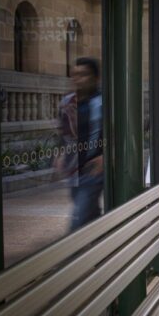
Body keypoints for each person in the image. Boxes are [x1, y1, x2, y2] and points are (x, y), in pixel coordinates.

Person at [56, 57, 104, 231]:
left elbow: (115, 131)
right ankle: (103, 242)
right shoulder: (67, 102)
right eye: (75, 74)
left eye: (83, 75)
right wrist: (61, 153)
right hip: (74, 169)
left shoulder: (104, 102)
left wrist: (105, 155)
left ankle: (72, 255)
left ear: (95, 78)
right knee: (89, 212)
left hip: (94, 169)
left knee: (78, 217)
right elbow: (63, 131)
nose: (78, 79)